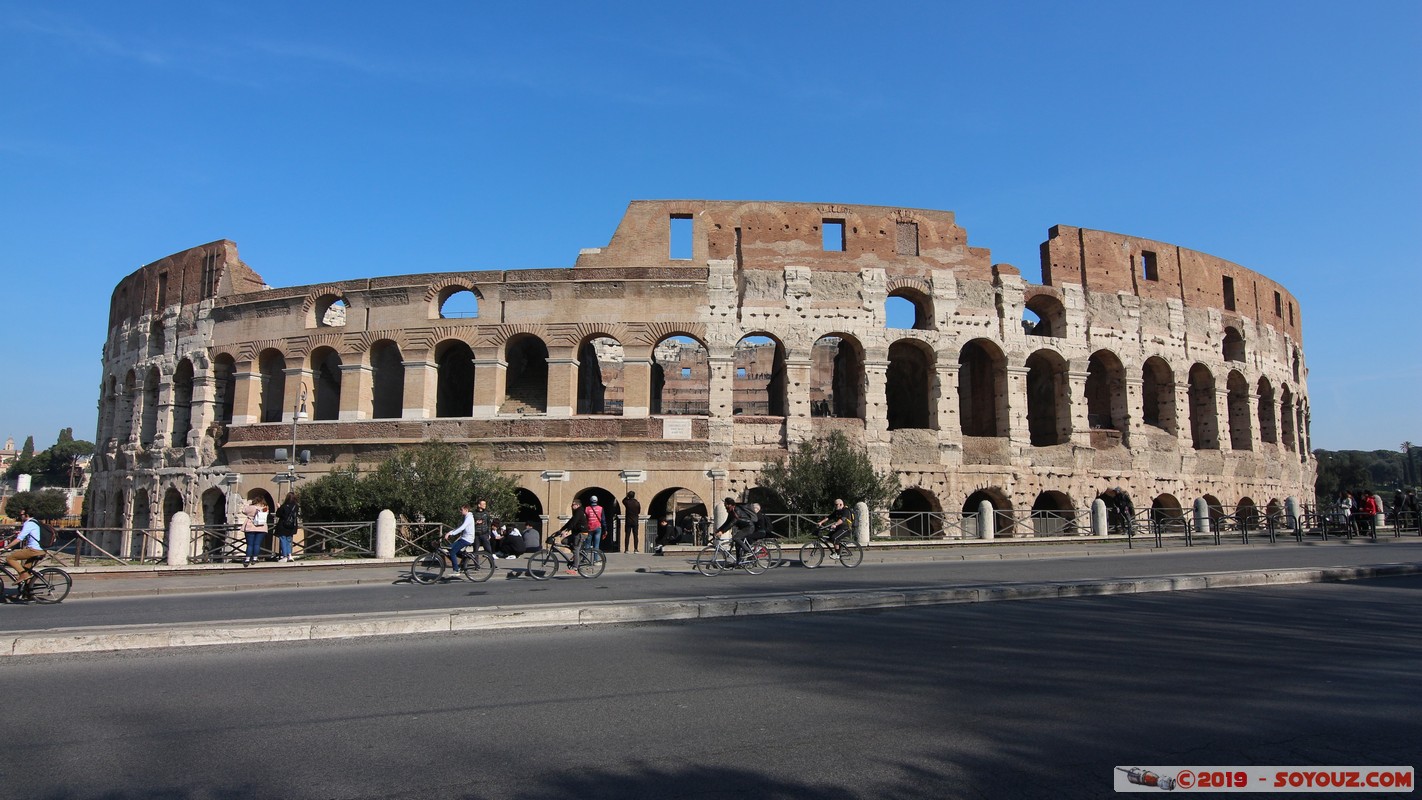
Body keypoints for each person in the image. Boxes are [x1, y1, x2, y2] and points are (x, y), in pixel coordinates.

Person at [3, 508, 45, 598]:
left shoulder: (29, 523)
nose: (20, 516)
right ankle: (28, 592)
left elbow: (19, 539)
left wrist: (6, 547)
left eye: (22, 515)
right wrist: (20, 532)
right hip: (40, 550)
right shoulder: (35, 522)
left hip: (34, 550)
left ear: (27, 515)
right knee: (26, 569)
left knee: (9, 558)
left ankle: (23, 575)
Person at [714, 497, 757, 563]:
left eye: (725, 504)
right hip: (744, 528)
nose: (725, 506)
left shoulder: (736, 510)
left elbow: (732, 522)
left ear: (729, 505)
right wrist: (718, 530)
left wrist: (722, 532)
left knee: (736, 538)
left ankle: (748, 551)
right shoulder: (731, 511)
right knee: (737, 544)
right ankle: (739, 562)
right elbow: (727, 522)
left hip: (749, 527)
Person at [554, 499, 591, 575]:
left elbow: (574, 523)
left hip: (581, 533)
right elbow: (570, 522)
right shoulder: (576, 512)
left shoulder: (579, 512)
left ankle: (575, 568)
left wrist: (567, 531)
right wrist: (561, 530)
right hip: (576, 533)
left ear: (578, 505)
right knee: (564, 541)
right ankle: (576, 555)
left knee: (576, 549)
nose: (572, 506)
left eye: (573, 505)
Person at [444, 503, 478, 577]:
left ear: (466, 510)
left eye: (461, 510)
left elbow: (462, 528)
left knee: (452, 551)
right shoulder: (467, 516)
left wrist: (451, 534)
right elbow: (461, 527)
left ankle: (456, 570)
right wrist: (450, 532)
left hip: (467, 539)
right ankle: (465, 557)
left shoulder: (469, 517)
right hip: (465, 538)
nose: (460, 511)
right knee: (450, 547)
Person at [240, 498, 269, 566]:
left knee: (250, 544)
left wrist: (248, 503)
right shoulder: (265, 508)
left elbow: (243, 510)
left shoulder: (251, 508)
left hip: (250, 527)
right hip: (261, 527)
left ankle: (247, 559)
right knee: (257, 544)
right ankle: (255, 558)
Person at [272, 492, 300, 562]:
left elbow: (278, 515)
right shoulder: (296, 506)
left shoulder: (284, 506)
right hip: (292, 526)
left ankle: (284, 556)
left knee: (283, 540)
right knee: (289, 540)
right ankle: (289, 555)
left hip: (283, 525)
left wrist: (279, 507)